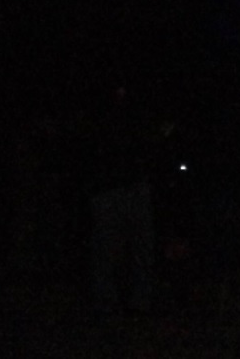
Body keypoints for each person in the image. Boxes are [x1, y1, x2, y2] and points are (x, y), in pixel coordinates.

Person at [86, 85, 158, 318]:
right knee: (109, 247)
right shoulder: (100, 111)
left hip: (129, 183)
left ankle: (136, 300)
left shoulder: (136, 110)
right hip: (109, 185)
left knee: (137, 246)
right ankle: (110, 301)